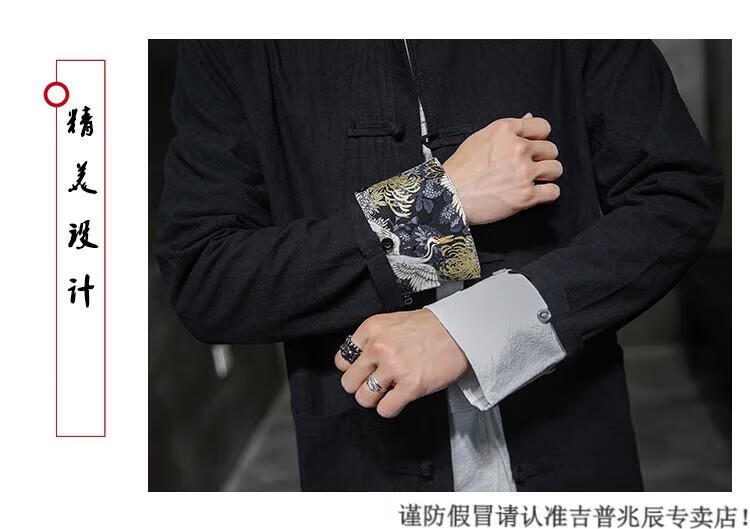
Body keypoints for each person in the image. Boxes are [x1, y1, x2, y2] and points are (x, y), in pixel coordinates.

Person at [153, 40, 723, 491]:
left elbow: (676, 192)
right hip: (370, 469)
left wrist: (477, 331)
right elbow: (205, 275)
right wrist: (435, 205)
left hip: (574, 451)